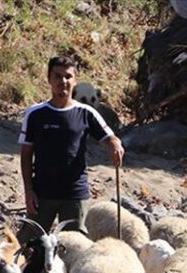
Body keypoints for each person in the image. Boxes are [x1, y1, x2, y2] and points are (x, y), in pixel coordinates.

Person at [18, 55, 124, 240]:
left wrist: (115, 145)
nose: (63, 81)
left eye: (68, 76)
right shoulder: (35, 114)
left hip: (75, 195)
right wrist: (28, 191)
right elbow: (26, 154)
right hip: (42, 193)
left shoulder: (86, 112)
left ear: (75, 80)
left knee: (74, 249)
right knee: (29, 245)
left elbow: (109, 137)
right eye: (57, 76)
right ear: (49, 79)